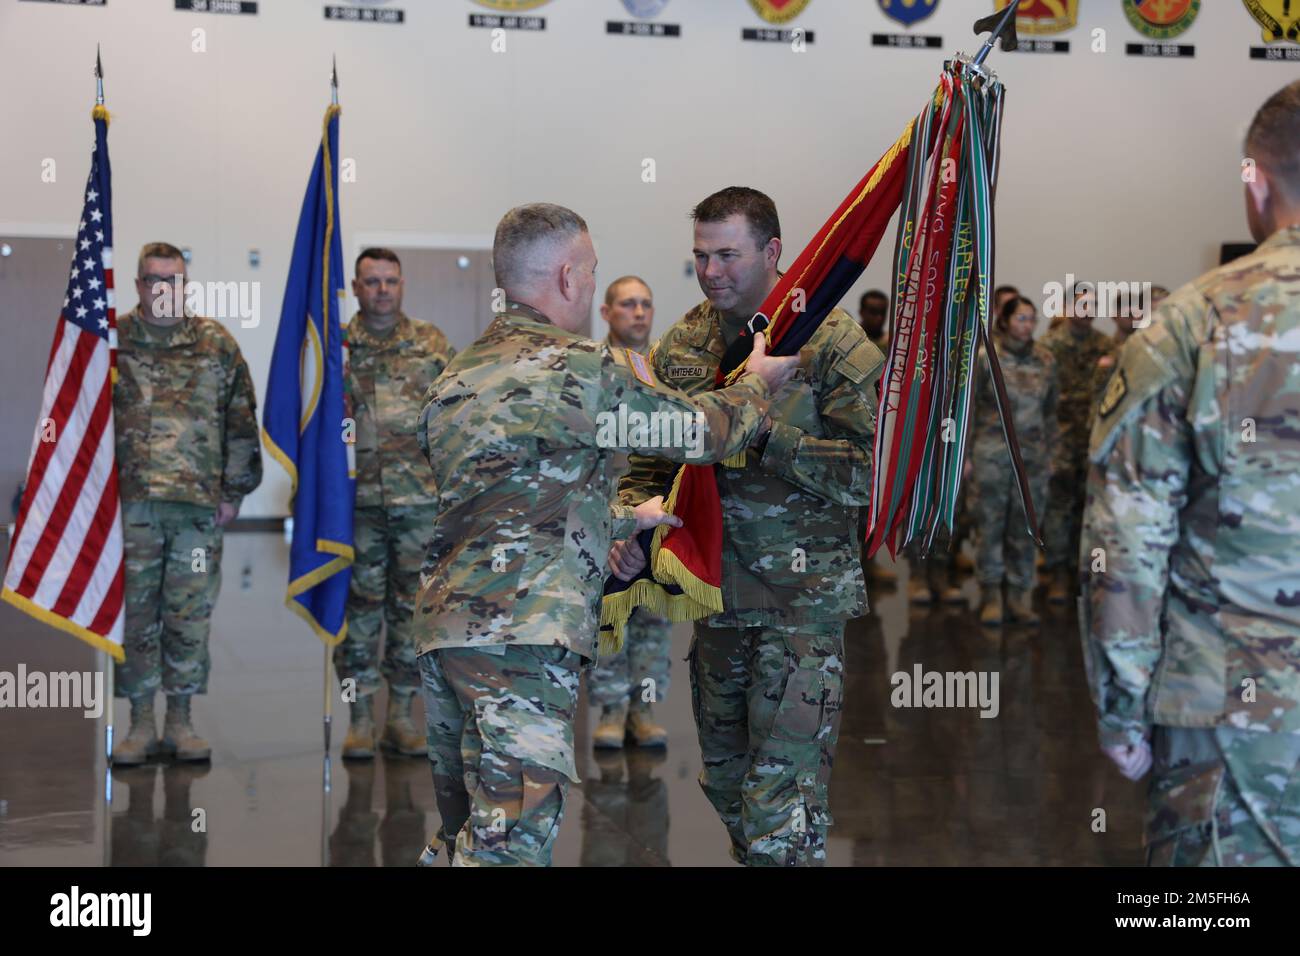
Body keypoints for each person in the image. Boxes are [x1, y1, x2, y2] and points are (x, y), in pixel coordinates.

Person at [413, 202, 797, 867]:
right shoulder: (577, 369)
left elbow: (504, 496)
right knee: (510, 844)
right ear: (566, 277)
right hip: (522, 642)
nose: (591, 287)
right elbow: (700, 433)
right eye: (590, 273)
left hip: (446, 636)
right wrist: (757, 387)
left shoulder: (457, 374)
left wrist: (619, 520)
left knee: (463, 837)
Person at [615, 186, 885, 866]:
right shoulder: (685, 343)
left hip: (801, 609)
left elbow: (873, 475)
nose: (713, 273)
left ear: (772, 251)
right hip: (717, 601)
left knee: (783, 810)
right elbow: (651, 458)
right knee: (731, 791)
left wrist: (763, 439)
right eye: (702, 256)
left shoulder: (830, 342)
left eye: (728, 255)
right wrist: (632, 523)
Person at [1081, 79, 1300, 866]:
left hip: (1224, 719)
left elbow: (1126, 539)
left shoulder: (1189, 323)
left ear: (1255, 180)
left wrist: (1122, 709)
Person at [113, 242, 263, 764]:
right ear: (138, 285)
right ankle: (137, 722)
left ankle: (179, 719)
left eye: (173, 280)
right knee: (136, 618)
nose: (164, 289)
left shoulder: (214, 344)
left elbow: (241, 419)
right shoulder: (113, 341)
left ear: (186, 284)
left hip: (198, 510)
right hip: (130, 508)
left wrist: (233, 491)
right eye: (154, 279)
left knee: (188, 615)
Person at [338, 248, 456, 760]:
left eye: (390, 281)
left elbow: (456, 415)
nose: (382, 289)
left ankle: (402, 714)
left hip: (417, 503)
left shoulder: (430, 343)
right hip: (355, 503)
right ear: (356, 287)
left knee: (413, 613)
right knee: (358, 612)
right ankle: (360, 716)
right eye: (371, 281)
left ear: (402, 284)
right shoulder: (336, 347)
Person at [589, 275, 673, 750]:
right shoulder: (588, 368)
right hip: (603, 509)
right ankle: (609, 708)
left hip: (657, 505)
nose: (638, 313)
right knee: (606, 607)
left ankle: (644, 709)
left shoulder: (668, 366)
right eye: (627, 304)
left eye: (645, 303)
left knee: (652, 611)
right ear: (607, 312)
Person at [971, 296, 1057, 626]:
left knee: (1027, 526)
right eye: (1021, 318)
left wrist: (1052, 453)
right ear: (1005, 321)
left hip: (1032, 456)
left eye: (1032, 319)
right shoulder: (985, 359)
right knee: (990, 523)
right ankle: (991, 593)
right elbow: (970, 409)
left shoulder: (1046, 360)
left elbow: (1051, 411)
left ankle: (1020, 594)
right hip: (992, 453)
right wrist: (964, 458)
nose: (1027, 325)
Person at [1041, 280, 1111, 604]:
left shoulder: (1106, 346)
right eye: (1082, 304)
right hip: (1061, 438)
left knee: (1091, 510)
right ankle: (1056, 573)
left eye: (1094, 306)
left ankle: (1083, 571)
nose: (1088, 311)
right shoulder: (1049, 346)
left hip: (1097, 440)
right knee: (1059, 507)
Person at [857, 289, 899, 585]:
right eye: (870, 311)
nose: (876, 317)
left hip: (883, 436)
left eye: (880, 312)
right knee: (854, 507)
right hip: (855, 433)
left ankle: (870, 565)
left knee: (875, 506)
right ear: (861, 311)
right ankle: (855, 568)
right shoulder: (853, 344)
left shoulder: (891, 348)